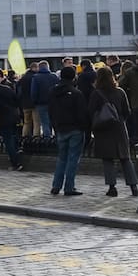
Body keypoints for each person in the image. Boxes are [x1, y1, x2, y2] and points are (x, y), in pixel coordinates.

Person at [88, 65, 138, 197]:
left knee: (108, 159)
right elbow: (127, 111)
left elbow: (91, 112)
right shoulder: (120, 92)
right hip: (119, 128)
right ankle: (134, 186)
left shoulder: (96, 93)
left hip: (103, 129)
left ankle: (112, 187)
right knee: (125, 158)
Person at [48, 66, 89, 196]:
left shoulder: (53, 92)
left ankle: (56, 185)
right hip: (75, 129)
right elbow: (82, 114)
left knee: (61, 158)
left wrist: (55, 126)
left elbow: (51, 111)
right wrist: (84, 128)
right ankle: (69, 187)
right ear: (73, 77)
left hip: (60, 128)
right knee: (73, 159)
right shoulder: (77, 93)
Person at [0, 69, 22, 171]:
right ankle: (17, 156)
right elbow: (16, 100)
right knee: (13, 138)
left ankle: (15, 162)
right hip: (12, 117)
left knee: (8, 141)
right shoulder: (7, 88)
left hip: (2, 118)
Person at [30, 60, 56, 138]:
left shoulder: (36, 77)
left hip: (41, 103)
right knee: (52, 121)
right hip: (53, 103)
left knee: (44, 122)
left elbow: (33, 92)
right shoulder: (54, 76)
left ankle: (47, 139)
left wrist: (34, 101)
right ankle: (53, 138)